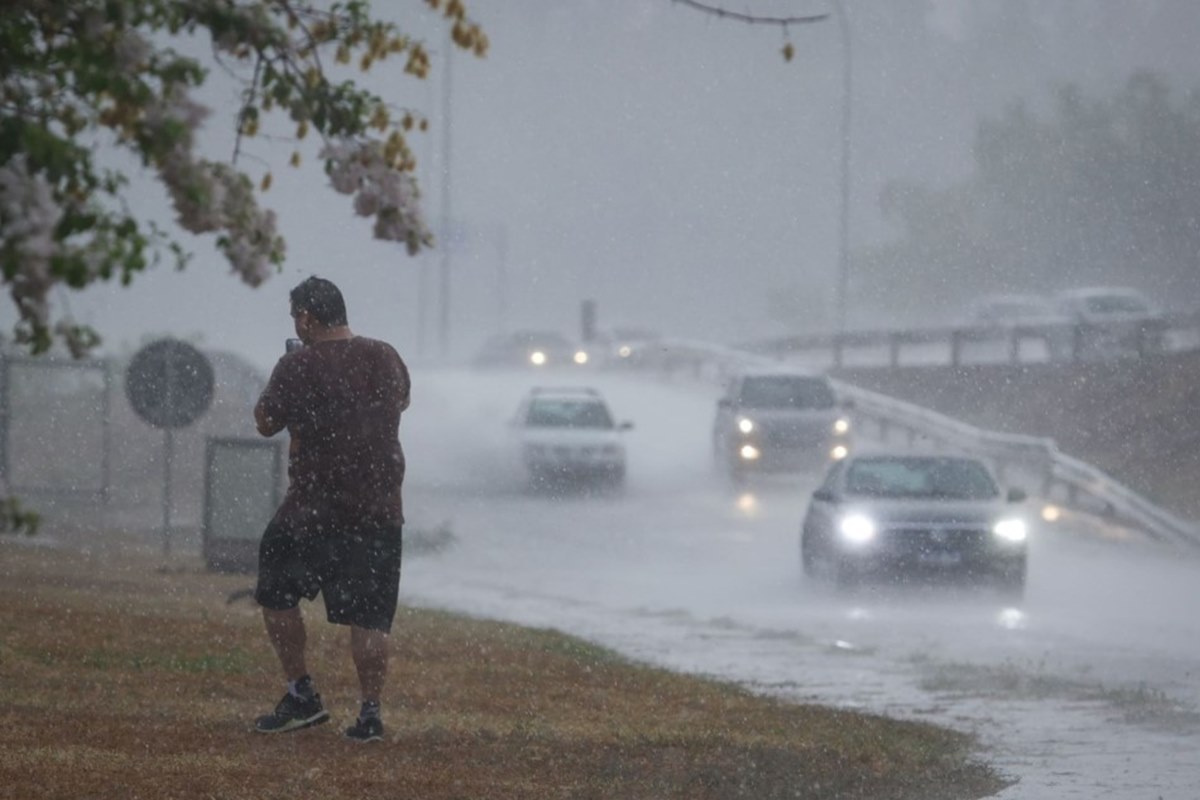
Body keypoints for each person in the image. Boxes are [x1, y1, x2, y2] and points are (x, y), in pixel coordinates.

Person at [251, 276, 411, 743]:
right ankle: (370, 714)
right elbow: (402, 401)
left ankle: (301, 693)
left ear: (305, 318)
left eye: (295, 318)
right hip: (379, 509)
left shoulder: (297, 365)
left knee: (275, 589)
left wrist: (288, 373)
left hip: (313, 510)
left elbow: (264, 423)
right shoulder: (386, 355)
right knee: (371, 617)